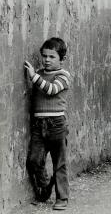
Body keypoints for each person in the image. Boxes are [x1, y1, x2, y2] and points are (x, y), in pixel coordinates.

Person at [24, 37, 71, 210]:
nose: (47, 60)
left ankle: (62, 198)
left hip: (57, 124)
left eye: (52, 57)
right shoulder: (39, 73)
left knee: (60, 163)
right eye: (44, 56)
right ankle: (45, 189)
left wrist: (34, 77)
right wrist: (36, 75)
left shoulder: (63, 75)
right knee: (35, 160)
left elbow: (51, 90)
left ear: (61, 59)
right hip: (39, 124)